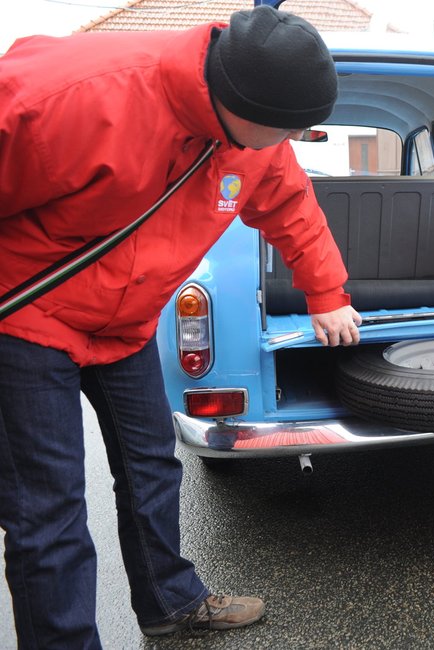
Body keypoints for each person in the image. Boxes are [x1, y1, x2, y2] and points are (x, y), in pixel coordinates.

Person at [0, 6, 361, 647]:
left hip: (127, 323)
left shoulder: (258, 141)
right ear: (235, 100)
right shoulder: (74, 96)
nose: (293, 139)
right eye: (288, 127)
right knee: (48, 508)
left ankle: (169, 601)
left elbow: (291, 206)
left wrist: (326, 293)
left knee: (152, 467)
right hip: (28, 314)